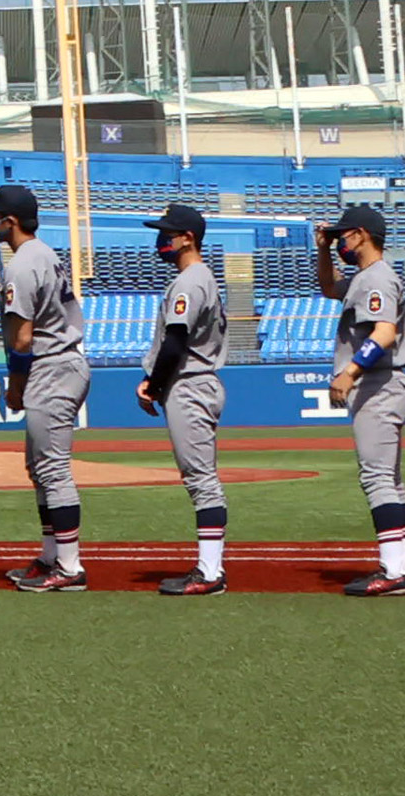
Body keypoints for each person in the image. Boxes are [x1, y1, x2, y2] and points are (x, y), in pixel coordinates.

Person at [0, 182, 89, 592]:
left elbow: (23, 338)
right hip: (61, 363)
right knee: (40, 468)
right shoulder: (44, 253)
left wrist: (16, 383)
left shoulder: (22, 263)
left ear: (9, 221)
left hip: (51, 367)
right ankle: (51, 556)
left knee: (52, 468)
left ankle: (68, 566)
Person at [318, 202, 405, 596]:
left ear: (362, 234)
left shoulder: (376, 277)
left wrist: (351, 370)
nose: (341, 238)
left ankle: (393, 570)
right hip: (383, 383)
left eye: (344, 233)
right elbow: (328, 287)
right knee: (390, 479)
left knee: (377, 477)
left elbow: (385, 332)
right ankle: (403, 566)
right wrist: (322, 249)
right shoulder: (364, 276)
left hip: (378, 382)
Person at [137, 205, 232, 594]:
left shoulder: (191, 280)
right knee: (199, 477)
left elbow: (176, 342)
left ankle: (210, 572)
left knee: (201, 479)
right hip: (192, 383)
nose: (162, 239)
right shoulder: (195, 278)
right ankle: (209, 569)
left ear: (188, 238)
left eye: (168, 233)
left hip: (190, 383)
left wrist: (154, 385)